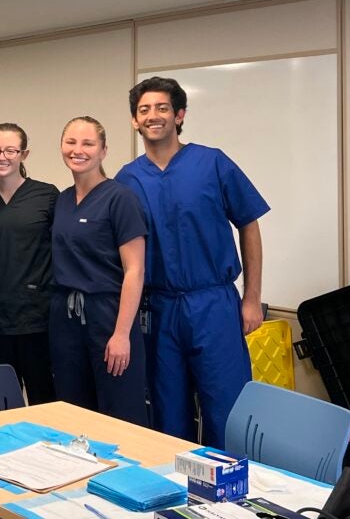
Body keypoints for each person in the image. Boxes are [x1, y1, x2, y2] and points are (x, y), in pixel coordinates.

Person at [115, 77, 268, 449]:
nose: (153, 116)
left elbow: (249, 224)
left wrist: (251, 298)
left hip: (212, 304)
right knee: (167, 412)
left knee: (226, 407)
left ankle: (231, 498)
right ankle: (175, 498)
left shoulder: (212, 162)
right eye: (144, 110)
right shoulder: (127, 178)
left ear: (179, 114)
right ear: (135, 121)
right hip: (159, 308)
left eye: (162, 108)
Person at [50, 116, 147, 425]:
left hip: (107, 315)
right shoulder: (63, 200)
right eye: (71, 142)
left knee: (118, 411)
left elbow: (135, 270)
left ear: (104, 151)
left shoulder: (120, 199)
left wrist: (121, 334)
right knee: (72, 411)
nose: (78, 150)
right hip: (65, 316)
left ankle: (127, 473)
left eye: (88, 143)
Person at [0, 123, 58, 404]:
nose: (2, 156)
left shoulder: (46, 196)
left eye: (10, 150)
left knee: (43, 399)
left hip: (37, 319)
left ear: (24, 154)